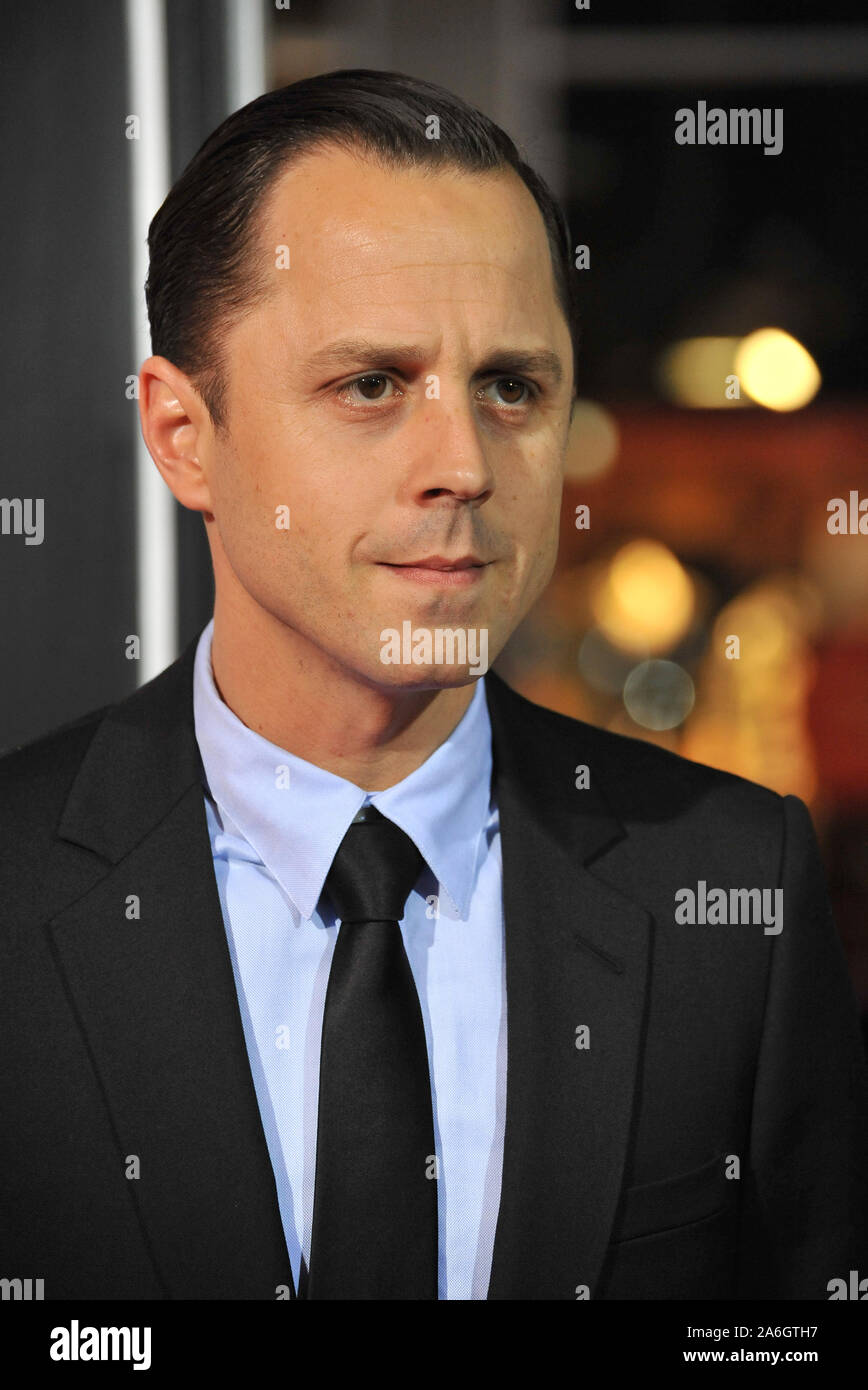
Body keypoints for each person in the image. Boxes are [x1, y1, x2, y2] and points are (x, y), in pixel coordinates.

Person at [1, 69, 866, 1302]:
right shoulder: (16, 892)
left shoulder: (730, 889)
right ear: (184, 434)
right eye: (369, 385)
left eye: (511, 387)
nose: (461, 462)